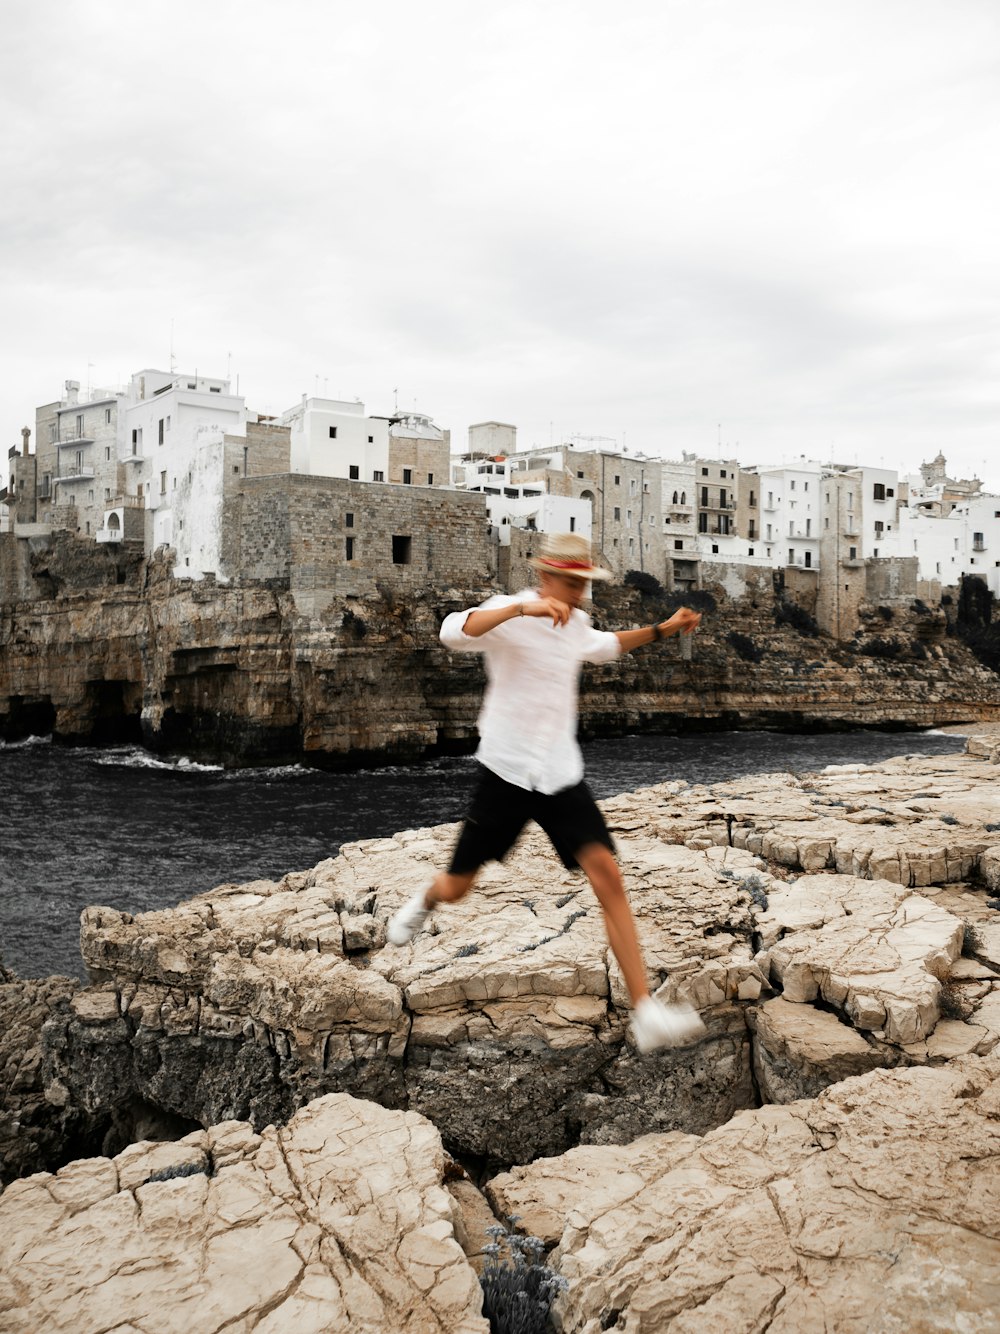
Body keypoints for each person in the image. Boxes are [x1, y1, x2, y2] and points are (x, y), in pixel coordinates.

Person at [387, 532, 707, 1053]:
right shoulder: (510, 612)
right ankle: (426, 898)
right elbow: (453, 633)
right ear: (547, 576)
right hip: (507, 772)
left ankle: (646, 1010)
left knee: (608, 875)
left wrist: (663, 629)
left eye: (584, 583)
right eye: (572, 582)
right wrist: (523, 609)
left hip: (560, 775)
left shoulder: (578, 623)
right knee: (458, 886)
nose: (580, 592)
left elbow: (606, 648)